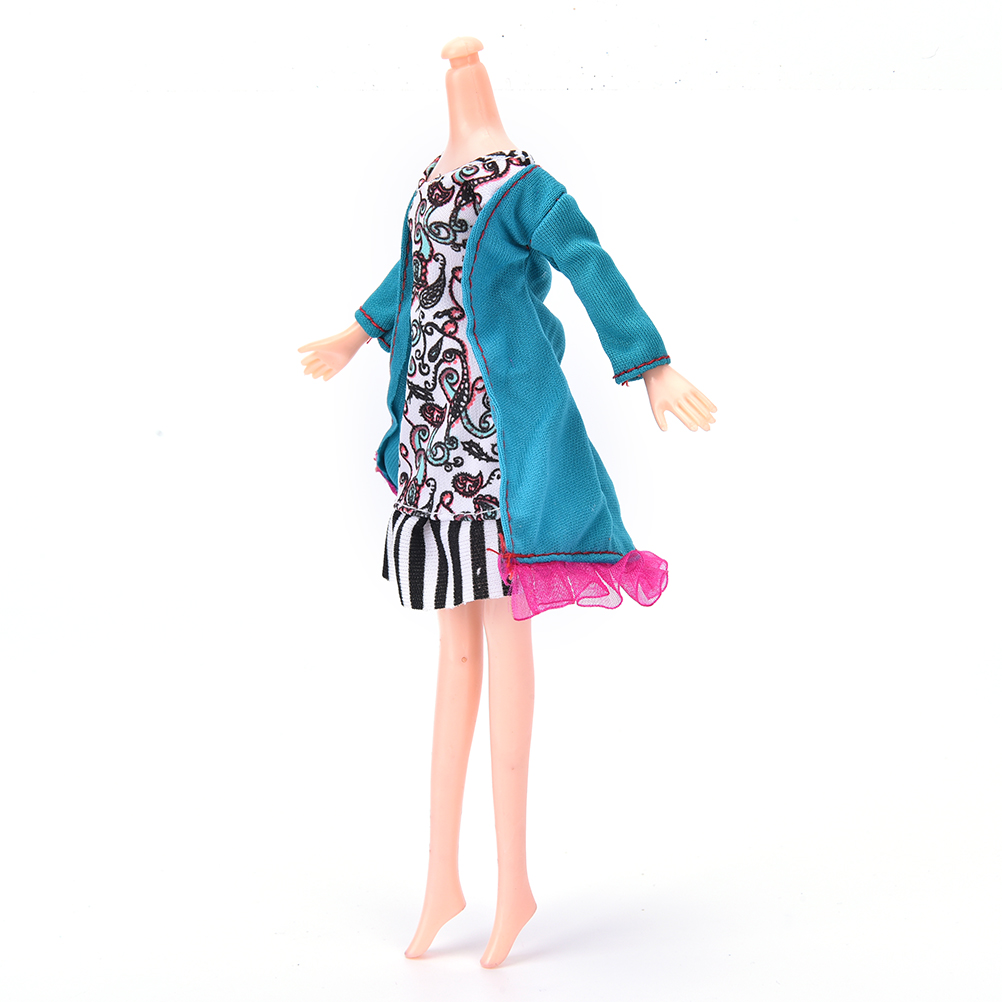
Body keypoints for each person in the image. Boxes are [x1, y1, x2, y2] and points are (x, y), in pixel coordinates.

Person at [298, 36, 716, 968]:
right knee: (453, 652)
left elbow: (591, 266)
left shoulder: (527, 187)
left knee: (502, 640)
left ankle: (514, 882)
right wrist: (356, 333)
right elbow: (412, 273)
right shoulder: (429, 180)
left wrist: (650, 365)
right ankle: (442, 881)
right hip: (432, 437)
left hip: (500, 447)